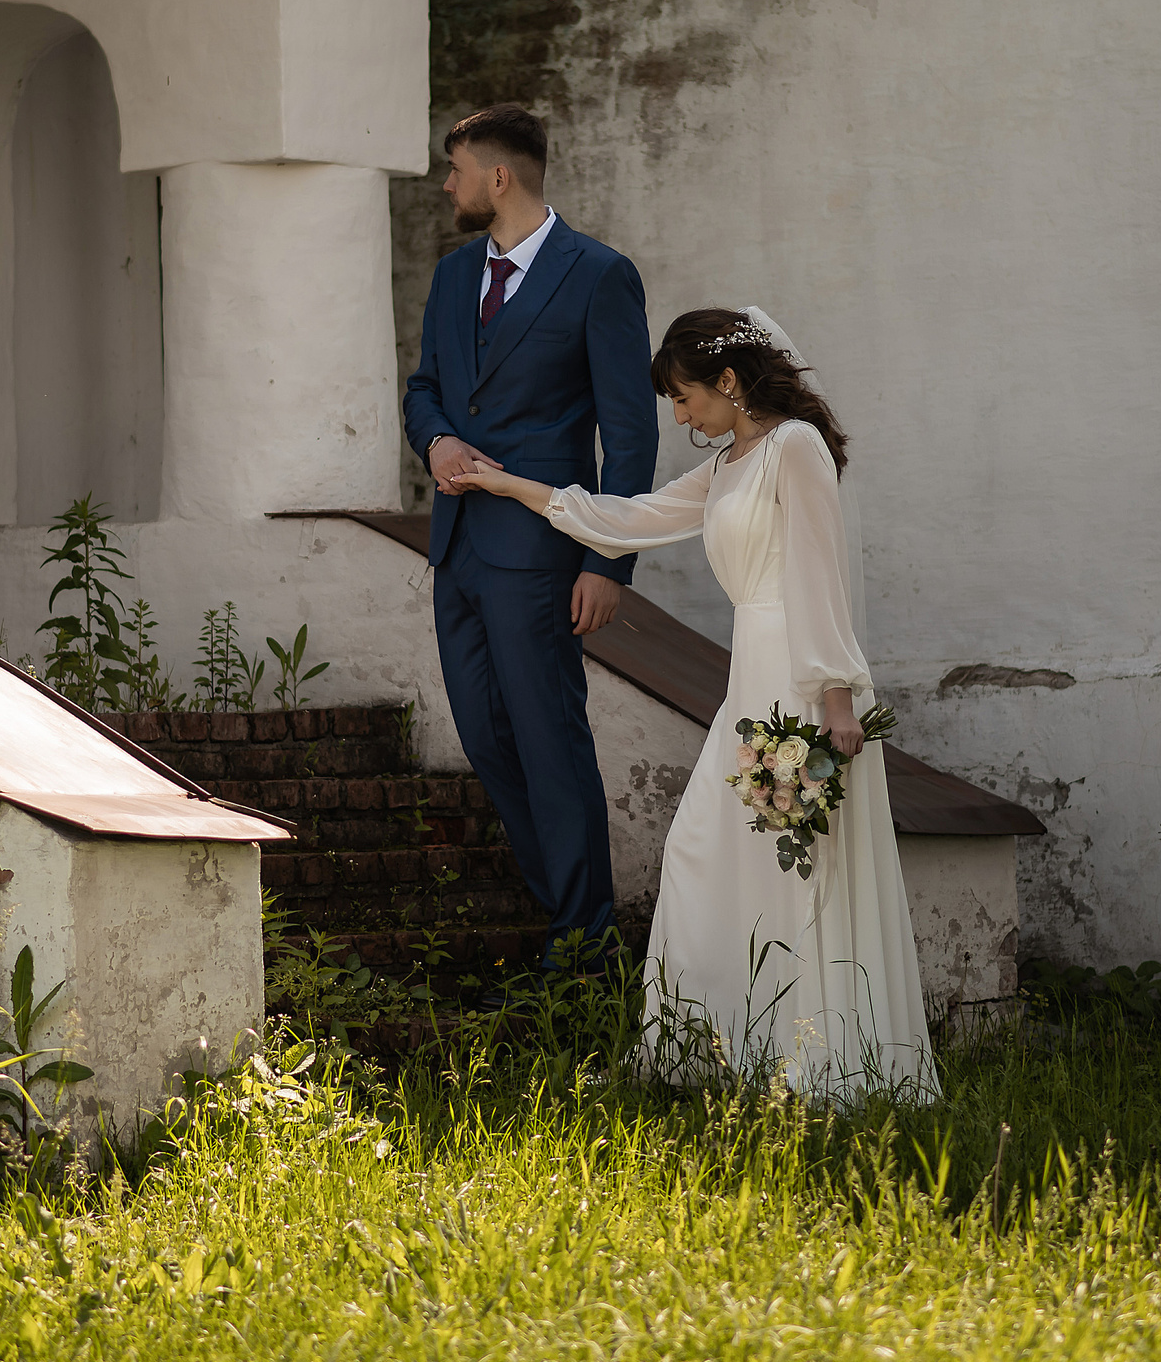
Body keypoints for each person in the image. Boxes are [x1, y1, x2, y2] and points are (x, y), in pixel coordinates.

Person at [449, 307, 938, 1099]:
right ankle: (724, 1054)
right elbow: (626, 520)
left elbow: (820, 576)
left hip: (803, 690)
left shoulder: (795, 448)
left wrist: (835, 703)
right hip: (750, 682)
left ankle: (819, 1067)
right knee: (702, 855)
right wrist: (506, 483)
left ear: (730, 381)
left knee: (793, 867)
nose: (679, 416)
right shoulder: (726, 466)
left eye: (683, 397)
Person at [401, 104, 658, 964]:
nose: (449, 185)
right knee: (484, 732)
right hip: (459, 547)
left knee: (550, 735)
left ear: (498, 176)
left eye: (458, 170)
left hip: (545, 554)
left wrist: (607, 558)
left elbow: (631, 433)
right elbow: (426, 388)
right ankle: (570, 918)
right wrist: (435, 437)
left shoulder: (598, 275)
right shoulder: (448, 279)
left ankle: (583, 948)